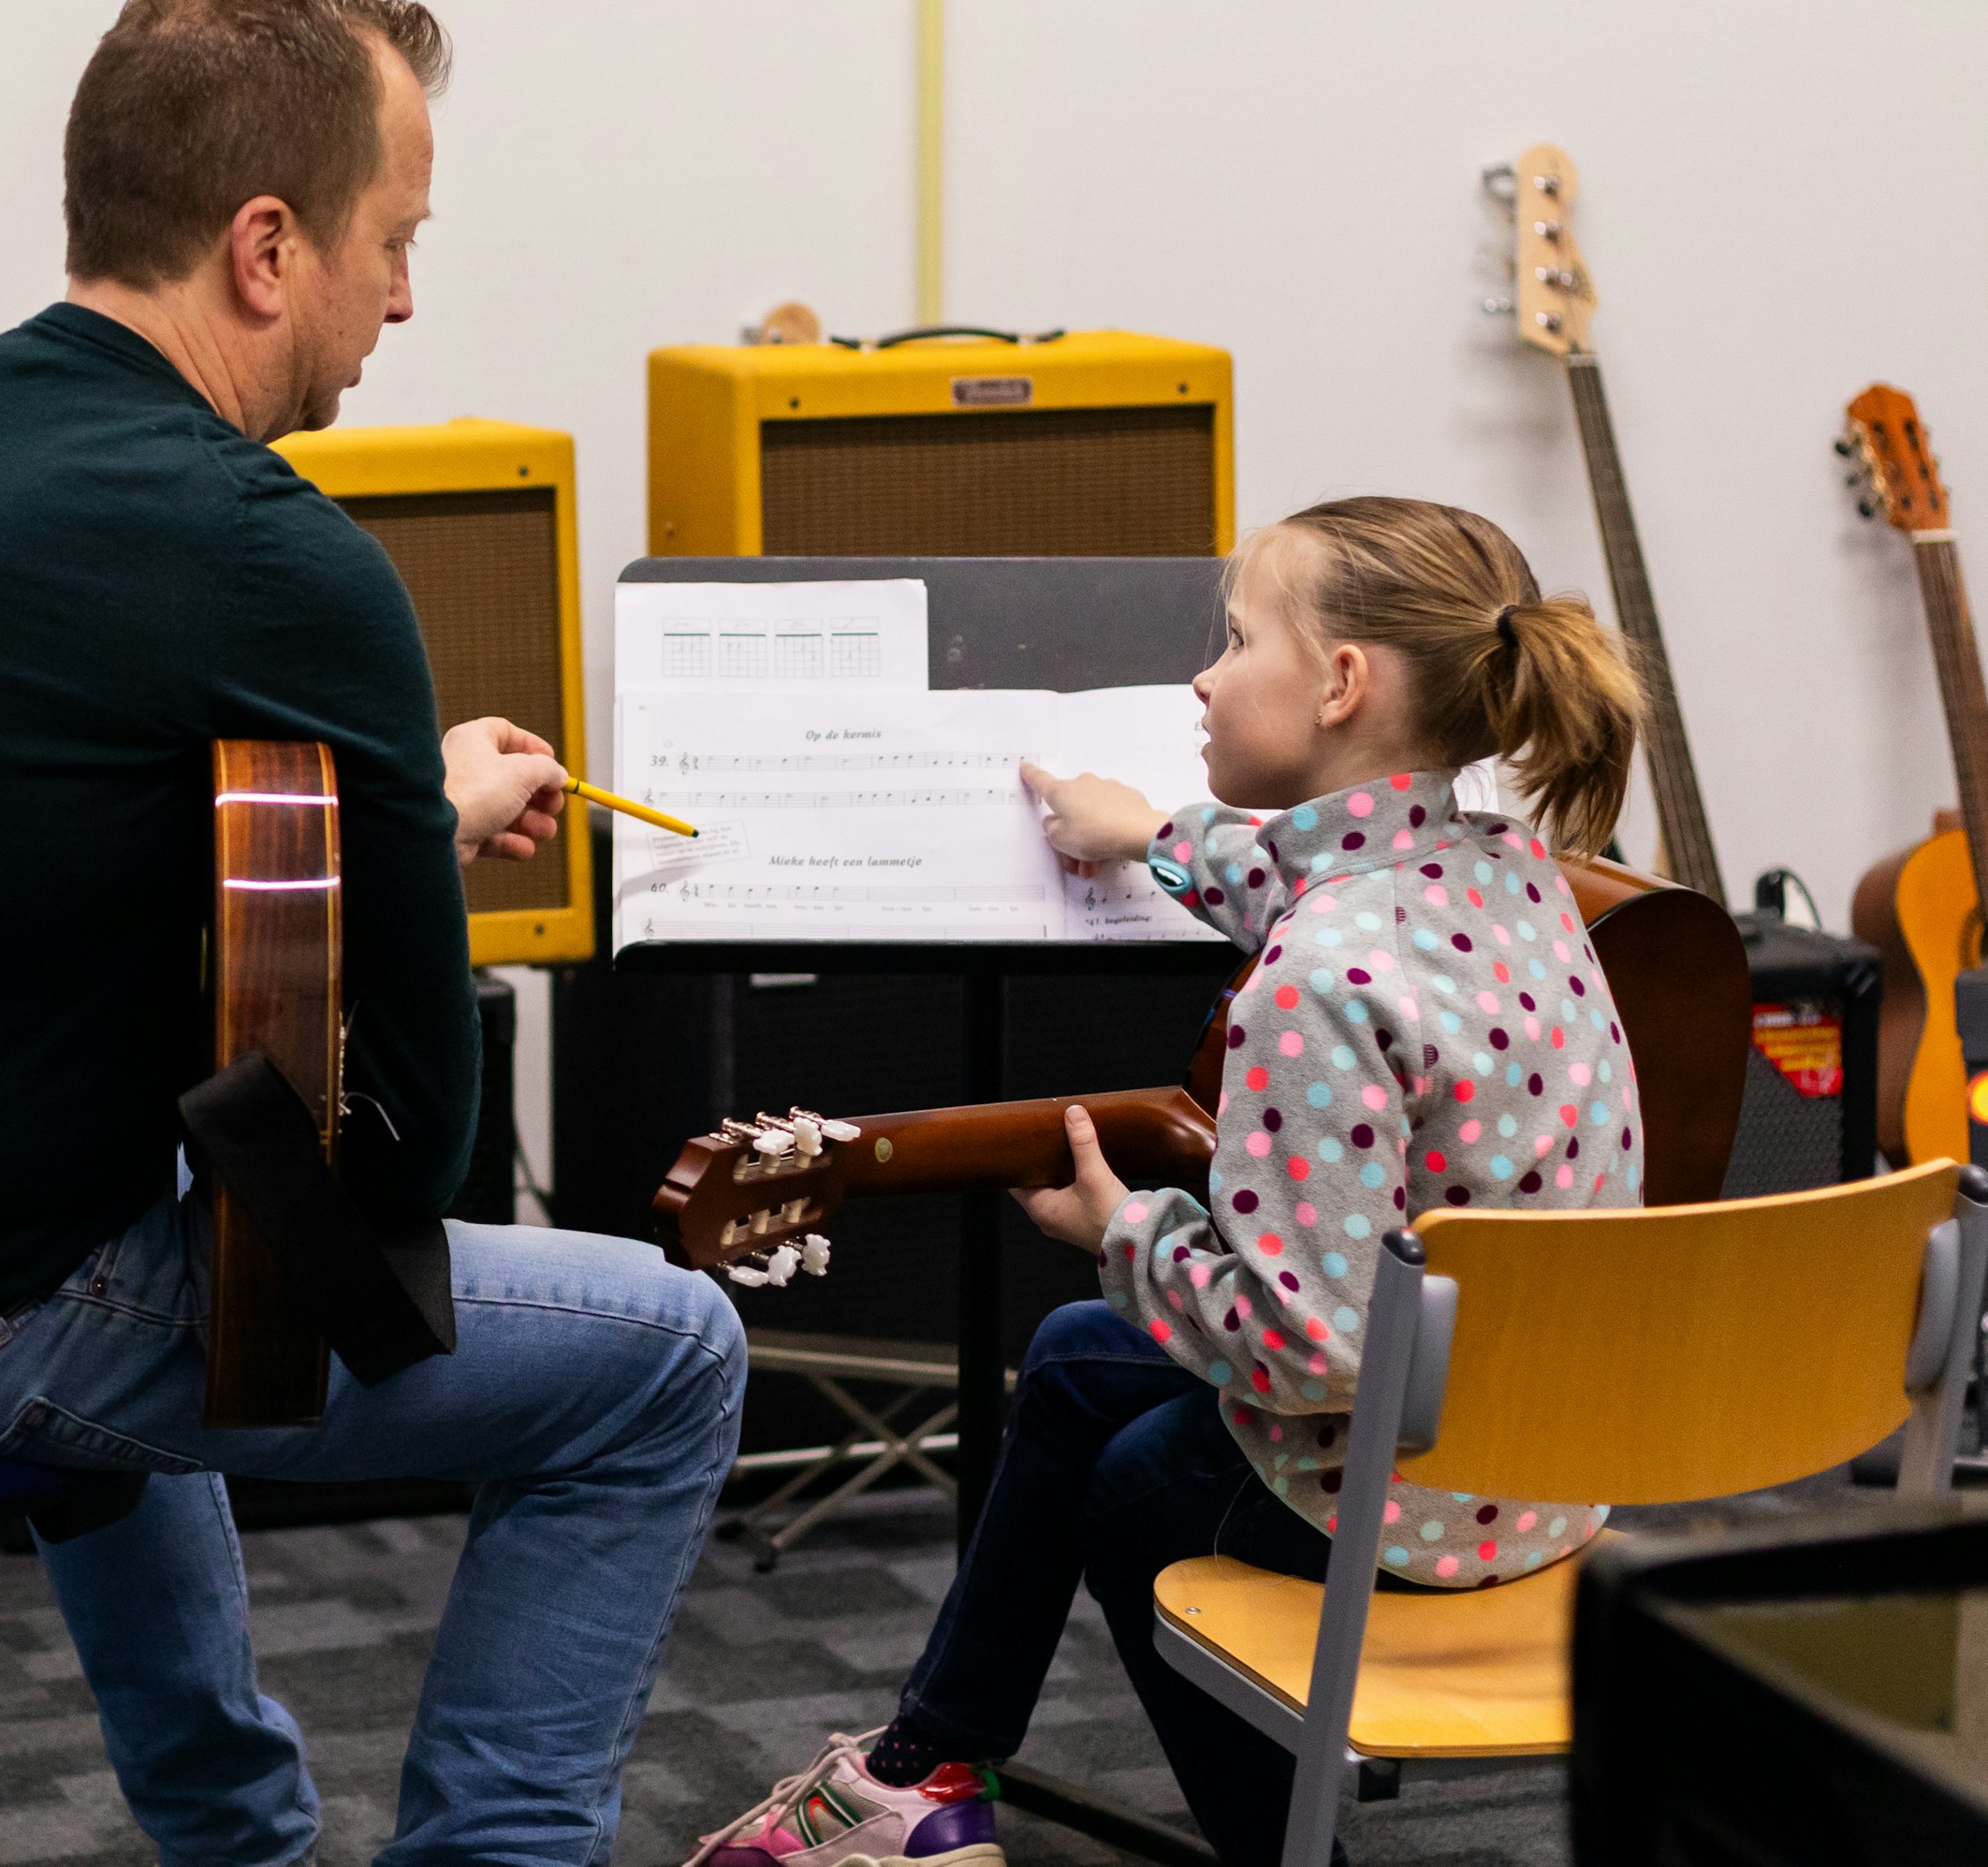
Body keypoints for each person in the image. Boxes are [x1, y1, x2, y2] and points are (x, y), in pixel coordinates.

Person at [0, 0, 745, 1867]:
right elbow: (402, 1170)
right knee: (667, 1361)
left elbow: (8, 833)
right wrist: (398, 843)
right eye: (392, 243)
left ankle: (235, 1841)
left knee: (166, 1190)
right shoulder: (269, 553)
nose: (401, 299)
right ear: (264, 247)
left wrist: (397, 809)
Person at [688, 499, 1649, 1867]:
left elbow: (1313, 1352)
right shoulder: (1511, 873)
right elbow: (1307, 874)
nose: (1203, 675)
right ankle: (925, 1769)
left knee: (1137, 1481)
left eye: (1237, 639)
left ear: (1341, 683)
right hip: (1548, 1458)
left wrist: (1124, 1229)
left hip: (1411, 1503)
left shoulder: (1316, 985)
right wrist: (1148, 833)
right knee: (1081, 1358)